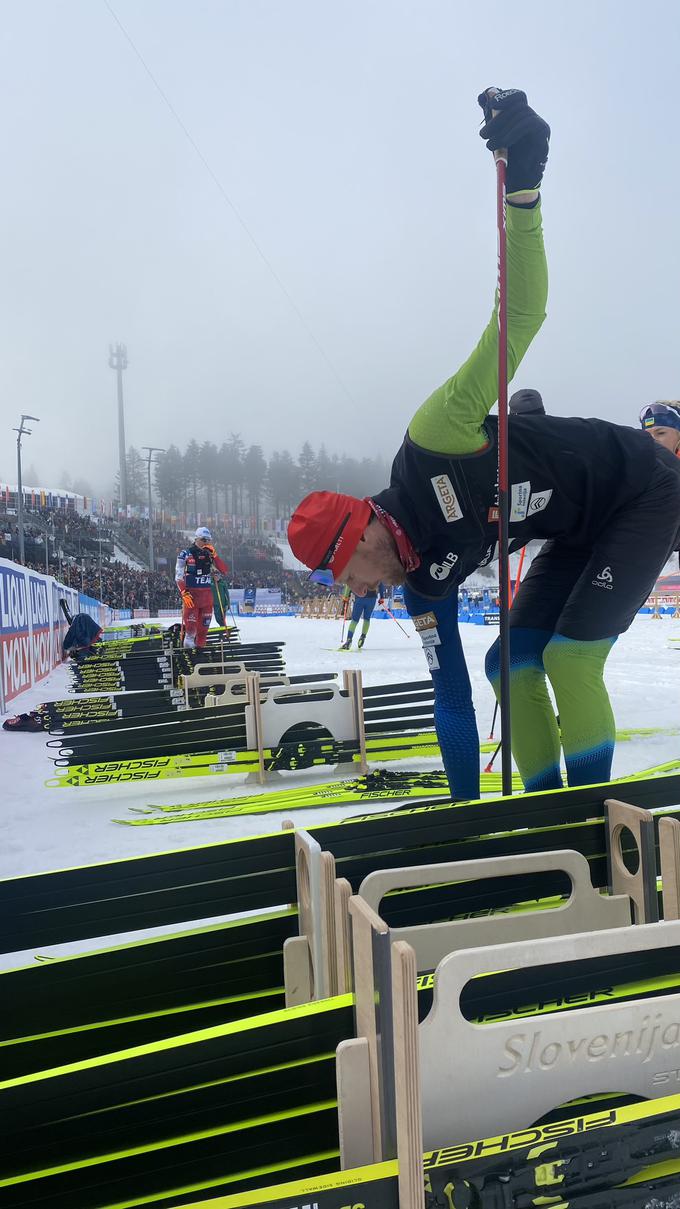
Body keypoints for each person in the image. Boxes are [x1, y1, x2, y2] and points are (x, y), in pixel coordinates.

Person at [287, 87, 680, 802]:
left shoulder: (434, 438)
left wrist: (522, 190)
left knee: (568, 660)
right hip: (576, 525)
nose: (355, 591)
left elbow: (520, 316)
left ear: (364, 527)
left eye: (346, 573)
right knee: (507, 662)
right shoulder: (422, 582)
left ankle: (588, 827)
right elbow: (454, 700)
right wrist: (465, 822)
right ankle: (536, 820)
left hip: (641, 487)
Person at [174, 527, 229, 649]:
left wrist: (215, 555)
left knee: (203, 632)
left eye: (209, 540)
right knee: (191, 631)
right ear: (197, 539)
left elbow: (224, 570)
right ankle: (188, 654)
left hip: (207, 598)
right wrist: (184, 592)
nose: (206, 543)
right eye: (204, 540)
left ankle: (200, 657)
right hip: (192, 597)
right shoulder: (185, 554)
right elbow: (178, 577)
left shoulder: (210, 554)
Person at [339, 583, 385, 650]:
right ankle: (363, 637)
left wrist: (346, 596)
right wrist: (382, 597)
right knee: (367, 619)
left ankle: (349, 640)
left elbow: (349, 583)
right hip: (372, 598)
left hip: (360, 597)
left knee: (354, 620)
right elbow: (380, 583)